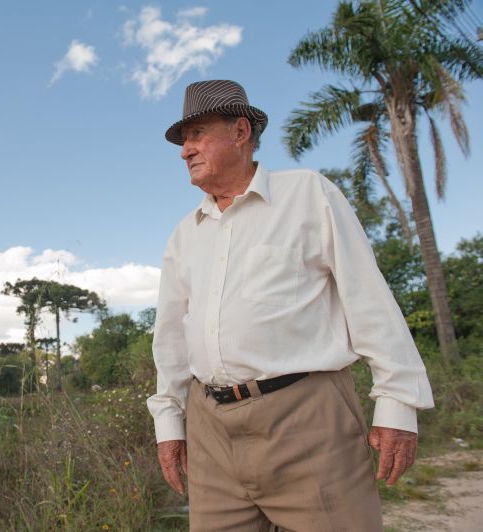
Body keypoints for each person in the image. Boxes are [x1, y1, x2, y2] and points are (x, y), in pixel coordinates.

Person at [147, 80, 434, 532]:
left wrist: (398, 404)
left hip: (308, 421)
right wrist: (169, 423)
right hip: (210, 432)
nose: (185, 151)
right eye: (184, 140)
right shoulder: (186, 234)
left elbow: (367, 296)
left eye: (197, 134)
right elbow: (170, 337)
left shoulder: (307, 194)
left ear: (240, 132)